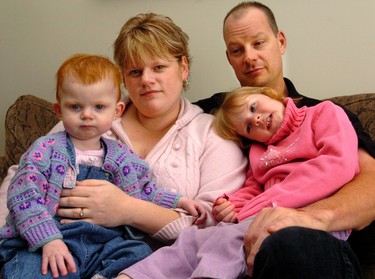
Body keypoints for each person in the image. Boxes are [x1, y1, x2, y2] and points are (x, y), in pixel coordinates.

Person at [0, 12, 247, 277]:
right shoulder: (87, 120)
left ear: (183, 67)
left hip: (137, 264)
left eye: (159, 67)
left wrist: (128, 209)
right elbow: (20, 180)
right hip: (51, 245)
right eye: (135, 71)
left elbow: (214, 228)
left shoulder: (212, 134)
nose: (147, 80)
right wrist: (41, 236)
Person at [193, 1, 375, 278]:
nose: (249, 57)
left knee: (288, 243)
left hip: (314, 246)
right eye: (237, 50)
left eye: (258, 42)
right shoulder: (211, 114)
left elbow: (371, 186)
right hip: (233, 244)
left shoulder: (322, 114)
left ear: (280, 41)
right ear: (229, 58)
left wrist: (310, 216)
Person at [116, 86, 359, 279]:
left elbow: (337, 164)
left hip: (310, 219)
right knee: (192, 239)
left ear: (270, 94)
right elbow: (253, 188)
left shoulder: (323, 113)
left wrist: (266, 205)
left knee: (228, 240)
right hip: (261, 215)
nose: (257, 118)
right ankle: (132, 275)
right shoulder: (260, 151)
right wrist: (231, 205)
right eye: (249, 127)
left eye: (254, 106)